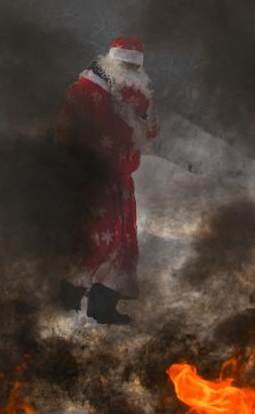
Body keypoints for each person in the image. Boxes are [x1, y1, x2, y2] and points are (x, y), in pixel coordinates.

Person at [55, 36, 158, 324]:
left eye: (135, 65)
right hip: (92, 178)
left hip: (121, 181)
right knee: (91, 240)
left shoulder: (137, 93)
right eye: (126, 63)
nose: (131, 69)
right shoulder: (84, 90)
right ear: (113, 61)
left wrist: (142, 116)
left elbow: (150, 131)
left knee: (120, 244)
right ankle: (67, 303)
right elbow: (64, 134)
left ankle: (103, 306)